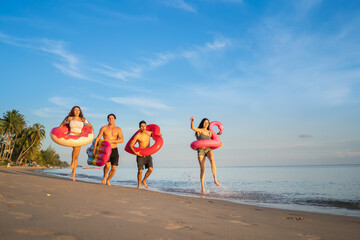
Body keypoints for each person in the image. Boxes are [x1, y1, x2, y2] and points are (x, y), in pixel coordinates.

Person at [60, 106, 93, 182]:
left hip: (80, 136)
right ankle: (72, 163)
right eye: (75, 110)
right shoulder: (70, 118)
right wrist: (60, 132)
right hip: (72, 135)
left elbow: (90, 126)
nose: (77, 111)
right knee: (75, 149)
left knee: (77, 155)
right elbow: (62, 124)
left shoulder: (82, 119)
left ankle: (73, 173)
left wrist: (90, 134)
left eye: (78, 110)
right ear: (73, 111)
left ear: (80, 111)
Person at [190, 117, 221, 194]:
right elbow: (192, 128)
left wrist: (220, 133)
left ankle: (215, 179)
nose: (206, 124)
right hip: (200, 150)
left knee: (212, 161)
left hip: (208, 149)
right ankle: (203, 188)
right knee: (202, 169)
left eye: (207, 122)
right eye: (204, 122)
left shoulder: (210, 132)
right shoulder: (199, 130)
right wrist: (192, 122)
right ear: (202, 123)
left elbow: (215, 141)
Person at [93, 114, 124, 186]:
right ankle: (104, 176)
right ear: (107, 119)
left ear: (115, 119)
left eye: (112, 118)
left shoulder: (118, 129)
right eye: (109, 118)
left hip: (114, 149)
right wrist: (94, 148)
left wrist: (112, 141)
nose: (111, 120)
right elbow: (97, 138)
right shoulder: (104, 128)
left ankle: (108, 180)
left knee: (114, 168)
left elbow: (122, 139)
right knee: (107, 165)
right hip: (106, 149)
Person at [129, 120, 162, 189]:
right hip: (140, 154)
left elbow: (158, 135)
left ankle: (144, 180)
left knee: (150, 169)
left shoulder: (149, 133)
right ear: (139, 127)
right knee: (140, 170)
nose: (143, 127)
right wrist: (136, 152)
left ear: (146, 126)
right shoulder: (138, 135)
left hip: (148, 154)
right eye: (141, 126)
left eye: (144, 126)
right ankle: (139, 185)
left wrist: (158, 134)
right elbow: (131, 145)